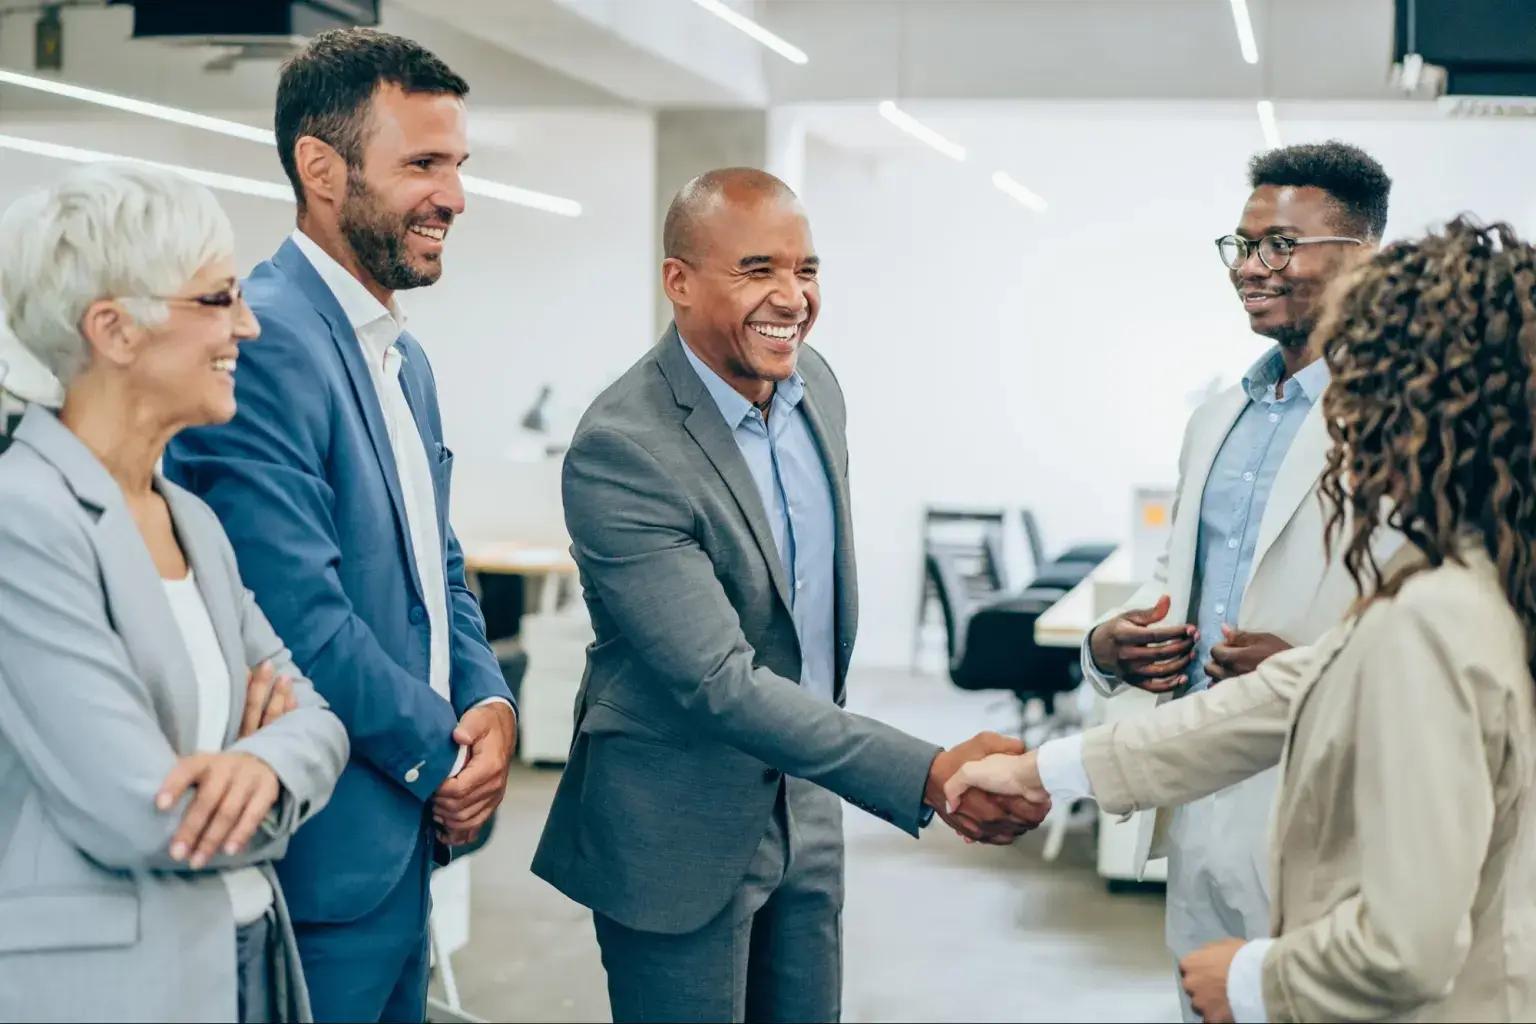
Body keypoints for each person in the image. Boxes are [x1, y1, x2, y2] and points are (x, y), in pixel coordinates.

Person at [948, 216, 1536, 1023]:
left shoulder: (1439, 616)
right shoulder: (1481, 572)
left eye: (1365, 379)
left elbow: (1408, 947)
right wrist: (1043, 771)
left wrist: (1257, 982)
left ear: (1425, 405)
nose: (1345, 413)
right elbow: (1278, 696)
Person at [531, 167, 1048, 1023]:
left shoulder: (819, 393)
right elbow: (717, 681)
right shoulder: (624, 447)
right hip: (676, 823)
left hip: (807, 807)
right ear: (679, 283)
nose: (792, 297)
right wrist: (928, 772)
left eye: (807, 270)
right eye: (757, 269)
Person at [163, 28, 515, 1023]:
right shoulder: (266, 342)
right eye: (423, 164)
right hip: (323, 855)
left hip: (401, 848)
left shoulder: (403, 357)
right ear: (323, 170)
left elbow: (435, 567)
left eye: (458, 165)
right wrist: (440, 754)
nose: (453, 195)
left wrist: (487, 701)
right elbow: (296, 611)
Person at [0, 163, 348, 1022]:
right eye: (218, 299)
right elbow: (144, 812)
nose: (249, 324)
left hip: (245, 955)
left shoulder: (189, 517)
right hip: (110, 988)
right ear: (114, 329)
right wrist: (272, 773)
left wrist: (260, 761)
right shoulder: (24, 519)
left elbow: (320, 720)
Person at [1078, 141, 1398, 1017]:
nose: (1251, 269)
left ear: (1361, 255)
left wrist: (1312, 670)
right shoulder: (1217, 417)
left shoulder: (1407, 420)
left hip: (1330, 800)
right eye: (1242, 245)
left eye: (1281, 246)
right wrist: (1109, 649)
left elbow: (1440, 617)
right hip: (1204, 800)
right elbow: (1174, 579)